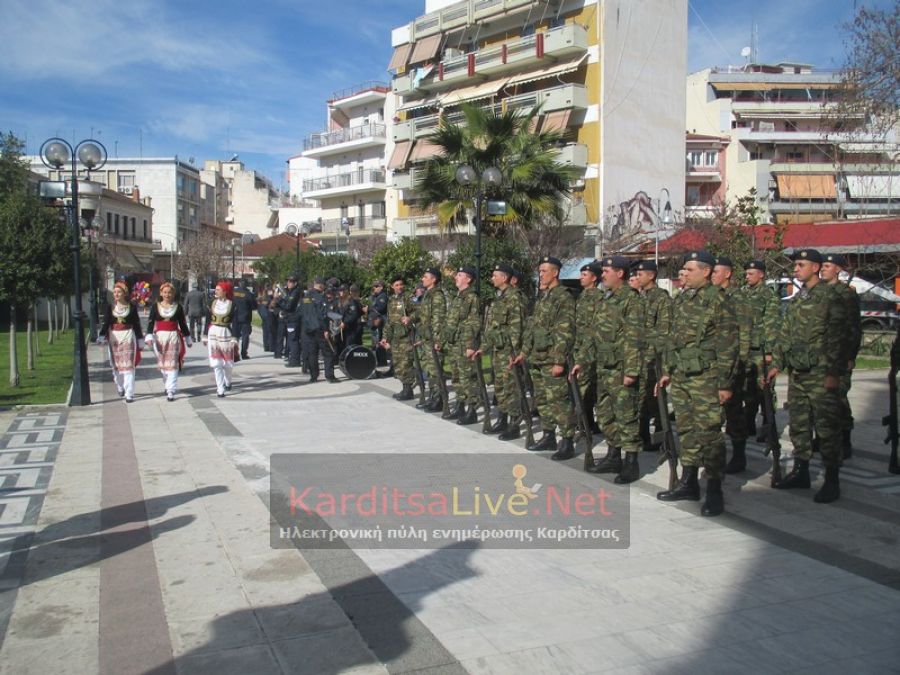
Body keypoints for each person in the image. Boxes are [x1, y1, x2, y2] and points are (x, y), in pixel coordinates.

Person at [656, 251, 738, 517]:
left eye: (690, 270)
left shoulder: (719, 302)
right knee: (687, 430)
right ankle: (689, 481)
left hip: (707, 378)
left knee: (710, 434)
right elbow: (673, 337)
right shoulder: (683, 300)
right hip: (681, 376)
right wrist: (667, 369)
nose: (685, 274)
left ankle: (714, 489)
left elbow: (728, 346)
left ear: (706, 272)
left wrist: (725, 384)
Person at [767, 249, 849, 503]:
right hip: (799, 373)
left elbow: (839, 336)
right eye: (795, 265)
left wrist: (835, 373)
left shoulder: (831, 296)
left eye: (801, 265)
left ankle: (832, 479)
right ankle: (801, 471)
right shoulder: (799, 297)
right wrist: (777, 364)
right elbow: (785, 334)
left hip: (821, 372)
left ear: (816, 267)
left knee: (826, 426)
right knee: (799, 423)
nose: (796, 269)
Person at [572, 256, 644, 478]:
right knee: (605, 415)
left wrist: (631, 371)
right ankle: (614, 456)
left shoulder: (631, 301)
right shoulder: (606, 300)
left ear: (620, 273)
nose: (602, 274)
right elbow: (593, 336)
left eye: (606, 271)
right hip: (604, 368)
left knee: (626, 416)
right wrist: (581, 361)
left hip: (621, 369)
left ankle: (631, 462)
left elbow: (635, 338)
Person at [514, 256, 576, 458]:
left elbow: (564, 330)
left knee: (558, 400)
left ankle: (567, 441)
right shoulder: (544, 297)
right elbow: (533, 327)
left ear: (555, 272)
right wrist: (524, 351)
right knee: (542, 399)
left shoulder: (563, 297)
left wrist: (559, 360)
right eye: (539, 271)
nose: (540, 275)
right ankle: (549, 435)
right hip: (537, 357)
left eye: (544, 271)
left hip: (551, 358)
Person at [711, 257, 753, 474]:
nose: (712, 276)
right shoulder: (712, 297)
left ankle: (739, 454)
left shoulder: (739, 298)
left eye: (716, 272)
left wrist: (741, 364)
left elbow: (744, 333)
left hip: (733, 363)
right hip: (714, 364)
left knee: (734, 411)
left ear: (727, 274)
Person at [820, 253, 862, 458]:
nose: (823, 269)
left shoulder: (847, 294)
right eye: (822, 265)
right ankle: (822, 436)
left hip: (841, 355)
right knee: (821, 398)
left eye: (828, 266)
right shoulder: (817, 292)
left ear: (837, 269)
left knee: (839, 397)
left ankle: (845, 437)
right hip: (820, 356)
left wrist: (851, 355)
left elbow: (854, 327)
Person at [478, 263, 524, 436]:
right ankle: (502, 419)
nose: (492, 278)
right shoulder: (500, 298)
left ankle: (514, 424)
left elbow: (517, 327)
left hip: (508, 352)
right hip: (498, 349)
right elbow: (493, 328)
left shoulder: (514, 297)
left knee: (511, 387)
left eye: (494, 275)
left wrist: (515, 352)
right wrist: (484, 348)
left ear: (504, 278)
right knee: (500, 387)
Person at [632, 260, 673, 453]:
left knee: (655, 399)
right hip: (639, 356)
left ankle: (661, 436)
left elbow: (664, 331)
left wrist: (660, 359)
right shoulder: (639, 297)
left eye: (641, 274)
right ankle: (643, 435)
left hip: (653, 357)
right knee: (641, 397)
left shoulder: (661, 298)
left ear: (651, 276)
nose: (637, 277)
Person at [741, 260, 781, 440]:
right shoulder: (742, 293)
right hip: (745, 349)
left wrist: (770, 352)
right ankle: (748, 423)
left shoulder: (768, 296)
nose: (747, 276)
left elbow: (772, 325)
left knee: (764, 389)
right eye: (746, 273)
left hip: (761, 350)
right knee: (747, 388)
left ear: (761, 274)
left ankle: (768, 426)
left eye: (751, 273)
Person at [444, 267, 481, 425]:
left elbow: (474, 322)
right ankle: (460, 406)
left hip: (464, 343)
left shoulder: (472, 297)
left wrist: (470, 345)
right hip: (454, 343)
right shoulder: (457, 297)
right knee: (457, 377)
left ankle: (471, 410)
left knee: (468, 378)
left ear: (468, 279)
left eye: (460, 275)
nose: (456, 277)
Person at [98, 281, 144, 403]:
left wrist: (140, 339)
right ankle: (120, 386)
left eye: (119, 292)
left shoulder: (132, 307)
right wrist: (102, 336)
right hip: (114, 339)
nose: (116, 294)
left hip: (128, 336)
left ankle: (129, 393)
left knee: (129, 366)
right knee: (116, 366)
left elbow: (137, 324)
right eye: (115, 292)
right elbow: (106, 323)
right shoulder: (110, 307)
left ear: (125, 293)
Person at [145, 282, 192, 401]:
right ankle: (167, 383)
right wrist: (149, 336)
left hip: (173, 337)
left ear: (173, 294)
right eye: (165, 292)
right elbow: (150, 323)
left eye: (169, 292)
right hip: (159, 338)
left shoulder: (178, 307)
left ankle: (171, 390)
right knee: (164, 365)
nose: (167, 294)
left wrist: (187, 337)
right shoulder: (156, 307)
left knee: (173, 363)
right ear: (161, 293)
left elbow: (182, 324)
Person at [411, 268, 447, 412]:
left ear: (434, 279)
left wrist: (438, 340)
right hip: (427, 339)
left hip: (433, 339)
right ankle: (433, 397)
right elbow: (421, 313)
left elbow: (438, 320)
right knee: (430, 370)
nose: (422, 279)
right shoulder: (428, 295)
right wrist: (410, 318)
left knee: (435, 370)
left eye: (425, 277)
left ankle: (438, 400)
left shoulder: (437, 296)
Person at [381, 275, 416, 400]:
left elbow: (419, 311)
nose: (399, 287)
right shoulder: (391, 300)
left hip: (406, 337)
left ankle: (408, 390)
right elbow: (389, 321)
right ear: (392, 287)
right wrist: (385, 337)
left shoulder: (408, 298)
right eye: (396, 285)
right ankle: (405, 388)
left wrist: (410, 318)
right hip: (395, 338)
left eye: (401, 284)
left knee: (406, 363)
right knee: (398, 364)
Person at [203, 280, 238, 398]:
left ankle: (228, 381)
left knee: (228, 363)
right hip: (213, 334)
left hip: (226, 333)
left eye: (218, 290)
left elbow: (236, 322)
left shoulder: (232, 304)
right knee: (216, 363)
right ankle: (220, 388)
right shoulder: (212, 303)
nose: (216, 291)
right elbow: (208, 320)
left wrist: (235, 337)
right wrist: (204, 335)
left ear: (225, 291)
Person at [231, 280, 257, 360]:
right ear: (246, 285)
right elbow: (254, 306)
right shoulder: (249, 294)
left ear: (238, 284)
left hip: (235, 317)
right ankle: (244, 353)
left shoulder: (233, 292)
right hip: (246, 318)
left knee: (235, 337)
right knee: (245, 336)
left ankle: (235, 354)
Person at [257, 286, 273, 352]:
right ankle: (271, 347)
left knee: (265, 333)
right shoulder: (270, 299)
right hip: (269, 318)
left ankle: (266, 347)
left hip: (263, 319)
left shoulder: (261, 300)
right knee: (270, 333)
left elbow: (259, 310)